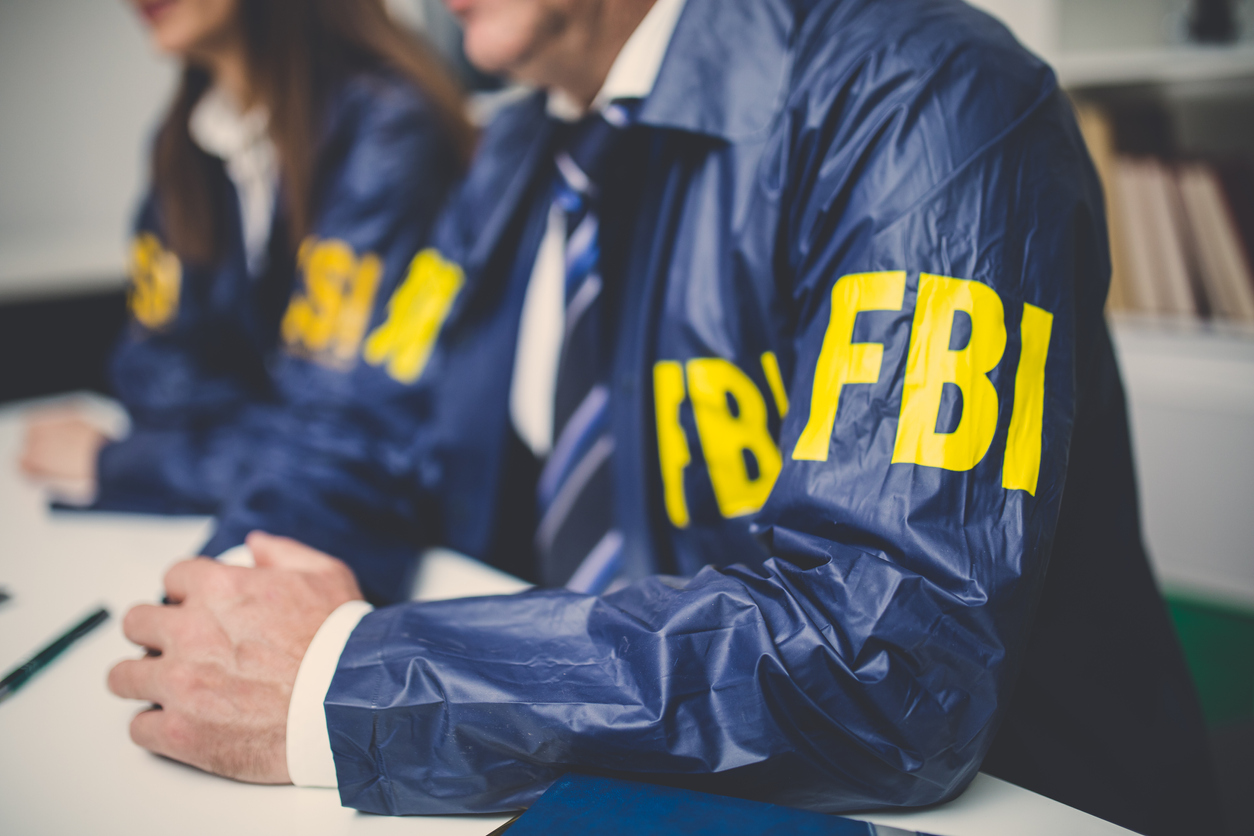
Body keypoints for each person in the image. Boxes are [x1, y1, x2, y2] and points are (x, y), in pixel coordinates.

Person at [107, 0, 1221, 833]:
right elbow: (361, 446)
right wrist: (232, 607)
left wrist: (350, 676)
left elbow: (888, 662)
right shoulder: (506, 156)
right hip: (637, 776)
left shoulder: (927, 95)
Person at [19, 0, 473, 514]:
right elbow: (150, 374)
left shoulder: (389, 128)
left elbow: (340, 441)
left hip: (391, 530)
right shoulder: (185, 142)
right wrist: (262, 433)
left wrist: (122, 463)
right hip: (264, 504)